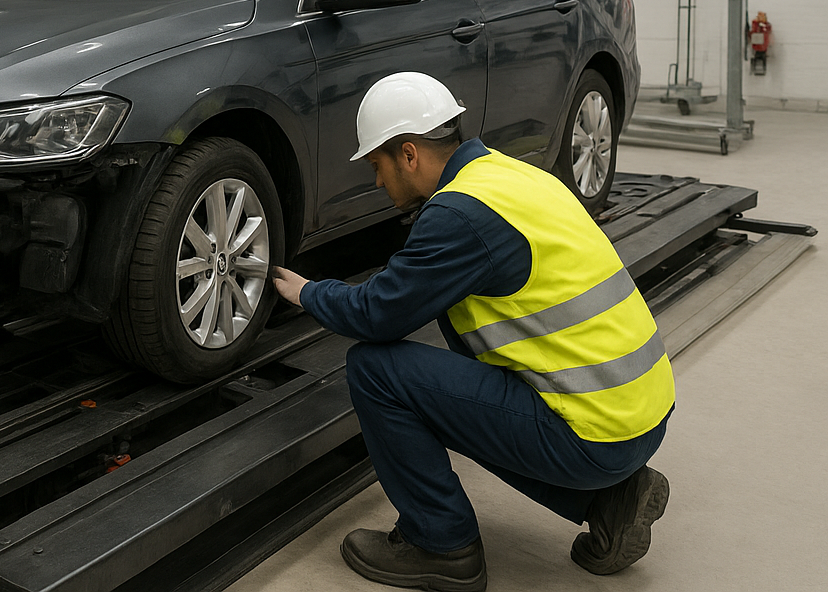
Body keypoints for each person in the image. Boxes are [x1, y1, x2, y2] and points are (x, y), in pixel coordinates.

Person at [272, 72, 674, 592]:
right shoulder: (514, 177)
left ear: (409, 154)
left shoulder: (461, 215)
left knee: (377, 371)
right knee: (460, 388)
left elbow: (377, 314)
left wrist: (308, 292)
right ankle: (610, 502)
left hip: (593, 434)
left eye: (377, 165)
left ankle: (440, 546)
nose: (377, 182)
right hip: (640, 414)